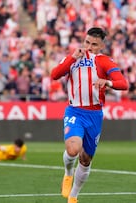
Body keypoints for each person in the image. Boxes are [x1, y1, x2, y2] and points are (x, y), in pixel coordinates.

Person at [50, 27, 128, 203]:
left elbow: (123, 83)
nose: (90, 47)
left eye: (94, 44)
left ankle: (74, 196)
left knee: (85, 159)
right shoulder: (72, 58)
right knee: (73, 149)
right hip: (75, 110)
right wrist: (72, 58)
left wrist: (107, 82)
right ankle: (68, 173)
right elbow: (54, 75)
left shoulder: (104, 61)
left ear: (101, 46)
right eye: (87, 42)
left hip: (94, 115)